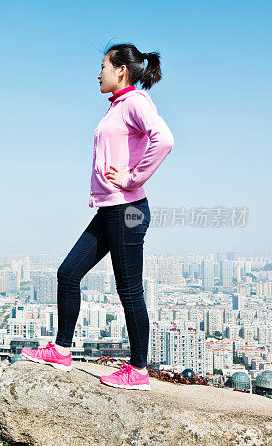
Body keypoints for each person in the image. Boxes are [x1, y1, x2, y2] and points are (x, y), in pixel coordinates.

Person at [21, 42, 174, 391]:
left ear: (121, 70)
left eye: (104, 65)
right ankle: (61, 351)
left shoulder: (135, 102)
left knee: (129, 289)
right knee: (68, 273)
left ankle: (138, 370)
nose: (98, 73)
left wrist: (134, 178)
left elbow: (164, 140)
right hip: (110, 209)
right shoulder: (117, 107)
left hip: (128, 209)